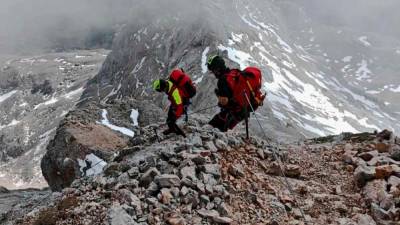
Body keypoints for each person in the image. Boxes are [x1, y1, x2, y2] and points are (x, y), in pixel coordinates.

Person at [206, 55, 265, 132]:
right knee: (225, 130)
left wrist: (219, 96)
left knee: (212, 127)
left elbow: (225, 102)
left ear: (217, 69)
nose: (213, 73)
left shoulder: (222, 81)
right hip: (244, 111)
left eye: (213, 71)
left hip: (234, 112)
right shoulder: (234, 72)